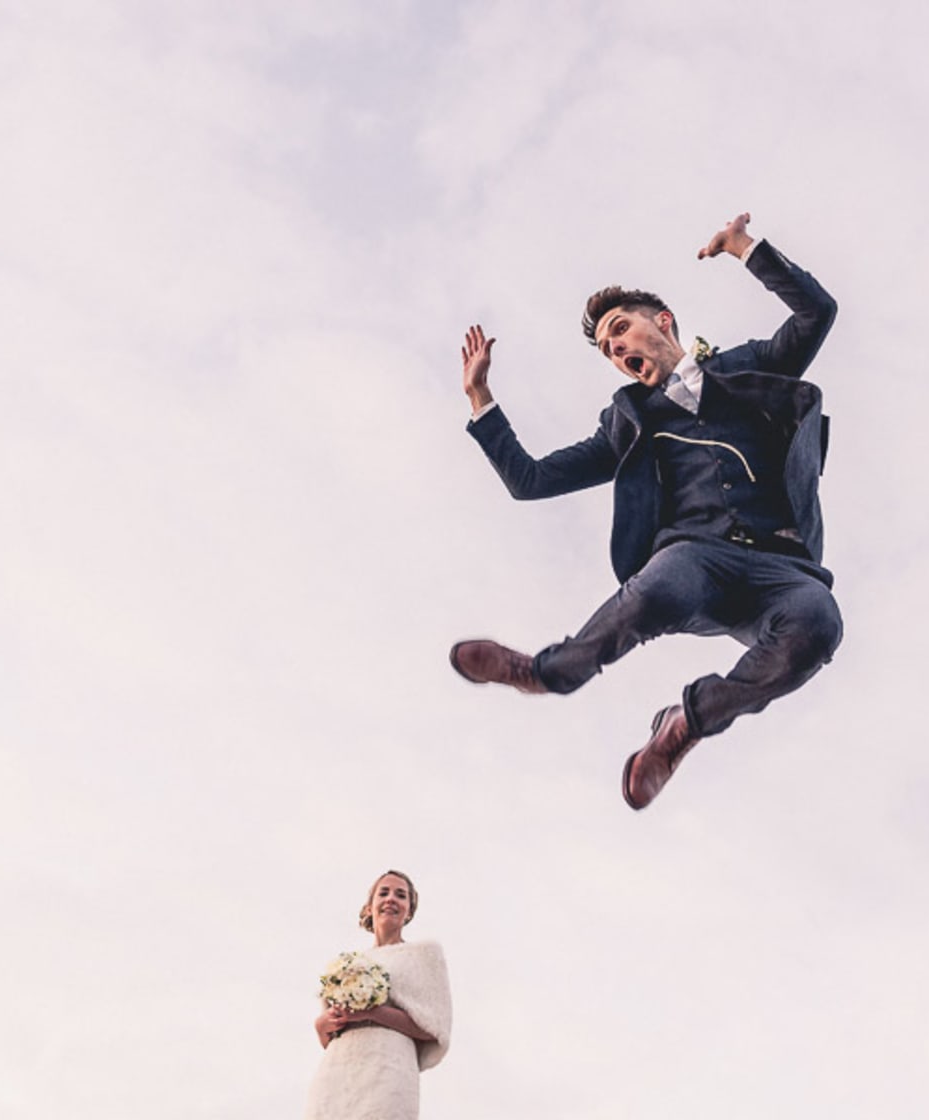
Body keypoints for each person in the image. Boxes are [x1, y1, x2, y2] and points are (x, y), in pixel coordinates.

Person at [453, 212, 844, 811]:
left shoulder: (746, 368)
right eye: (608, 349)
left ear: (661, 322)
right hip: (694, 559)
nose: (615, 349)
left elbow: (817, 313)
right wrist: (481, 398)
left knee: (820, 624)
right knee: (663, 582)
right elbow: (530, 480)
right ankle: (550, 670)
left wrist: (746, 249)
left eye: (621, 331)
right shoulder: (627, 424)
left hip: (780, 567)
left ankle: (685, 723)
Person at [301, 871, 452, 1120]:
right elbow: (329, 1037)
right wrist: (321, 1025)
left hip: (389, 1072)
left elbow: (434, 1028)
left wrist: (372, 1012)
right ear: (370, 907)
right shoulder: (346, 965)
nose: (391, 898)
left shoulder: (425, 955)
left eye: (400, 895)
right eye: (383, 893)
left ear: (409, 910)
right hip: (336, 1074)